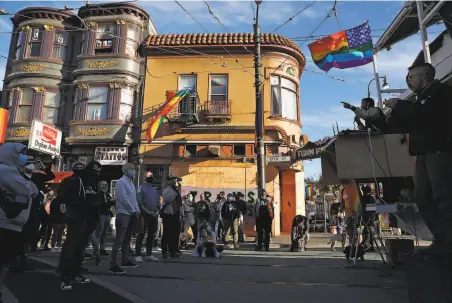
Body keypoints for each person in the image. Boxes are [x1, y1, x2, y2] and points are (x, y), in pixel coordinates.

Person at [385, 62, 452, 258]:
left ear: (423, 77)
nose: (409, 81)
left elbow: (428, 117)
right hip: (422, 152)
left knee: (442, 196)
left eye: (411, 77)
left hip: (438, 149)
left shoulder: (441, 92)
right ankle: (441, 237)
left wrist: (400, 105)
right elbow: (407, 123)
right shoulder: (418, 98)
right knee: (422, 197)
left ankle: (448, 240)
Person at [0, 143, 38, 302]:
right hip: (4, 224)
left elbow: (34, 191)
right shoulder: (4, 170)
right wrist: (26, 181)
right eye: (20, 153)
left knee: (4, 264)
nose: (23, 157)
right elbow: (27, 190)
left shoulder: (15, 173)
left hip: (14, 225)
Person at [58, 161, 102, 291]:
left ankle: (75, 273)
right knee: (71, 247)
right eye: (94, 172)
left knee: (81, 249)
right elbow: (64, 197)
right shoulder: (74, 180)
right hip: (76, 218)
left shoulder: (94, 183)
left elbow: (95, 200)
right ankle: (64, 277)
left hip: (89, 220)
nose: (95, 175)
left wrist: (96, 218)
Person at [109, 163, 140, 275]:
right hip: (123, 213)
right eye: (131, 169)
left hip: (131, 213)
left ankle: (124, 260)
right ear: (126, 170)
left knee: (127, 239)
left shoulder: (131, 183)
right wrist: (132, 209)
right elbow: (123, 198)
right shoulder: (121, 182)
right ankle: (113, 263)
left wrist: (137, 209)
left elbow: (134, 199)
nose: (133, 171)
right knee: (119, 239)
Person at [135, 172, 160, 263]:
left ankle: (149, 254)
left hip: (154, 214)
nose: (150, 178)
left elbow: (158, 202)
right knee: (141, 234)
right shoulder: (141, 188)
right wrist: (147, 211)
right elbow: (139, 202)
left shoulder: (154, 189)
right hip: (144, 214)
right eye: (149, 176)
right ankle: (138, 254)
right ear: (144, 177)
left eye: (151, 176)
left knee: (152, 235)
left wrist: (157, 210)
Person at [161, 176, 183, 259]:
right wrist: (175, 191)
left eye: (174, 179)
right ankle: (164, 251)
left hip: (176, 214)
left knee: (175, 234)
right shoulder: (167, 190)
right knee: (167, 233)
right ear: (168, 182)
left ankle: (173, 250)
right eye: (172, 180)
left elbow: (180, 203)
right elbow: (168, 199)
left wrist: (181, 214)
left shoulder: (177, 190)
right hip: (168, 214)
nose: (174, 181)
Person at [96, 181, 114, 256]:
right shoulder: (98, 195)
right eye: (102, 185)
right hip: (101, 215)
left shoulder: (108, 194)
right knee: (99, 232)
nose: (104, 186)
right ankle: (96, 249)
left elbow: (110, 203)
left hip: (107, 215)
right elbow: (102, 204)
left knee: (104, 233)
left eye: (105, 185)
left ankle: (102, 249)